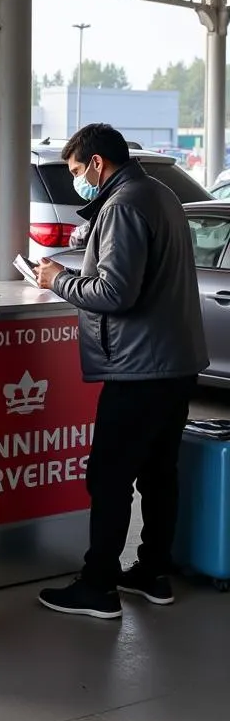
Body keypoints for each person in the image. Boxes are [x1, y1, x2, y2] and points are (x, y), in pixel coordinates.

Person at [35, 123, 207, 619]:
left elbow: (115, 293)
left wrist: (59, 278)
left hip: (139, 367)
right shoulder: (161, 193)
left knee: (108, 477)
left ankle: (98, 586)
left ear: (96, 163)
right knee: (159, 473)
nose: (74, 183)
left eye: (74, 171)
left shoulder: (123, 204)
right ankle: (154, 572)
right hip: (174, 360)